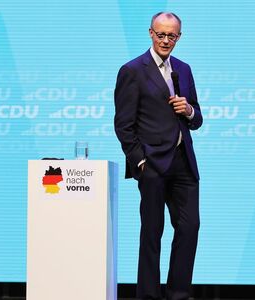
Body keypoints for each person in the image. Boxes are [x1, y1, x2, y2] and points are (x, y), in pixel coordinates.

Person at [113, 11, 203, 300]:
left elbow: (197, 117)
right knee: (152, 232)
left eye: (172, 35)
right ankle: (148, 296)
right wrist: (140, 161)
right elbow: (123, 124)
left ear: (179, 37)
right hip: (152, 164)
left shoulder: (184, 69)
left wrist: (187, 110)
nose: (166, 40)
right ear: (151, 33)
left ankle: (178, 294)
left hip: (183, 162)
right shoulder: (132, 70)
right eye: (161, 34)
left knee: (189, 227)